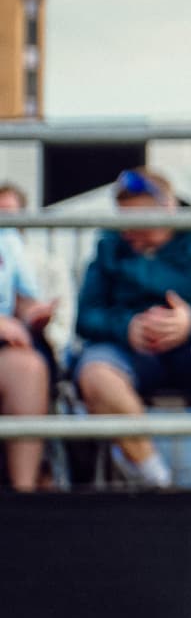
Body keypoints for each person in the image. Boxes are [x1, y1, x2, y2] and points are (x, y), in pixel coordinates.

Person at [71, 169, 191, 488]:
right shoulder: (110, 246)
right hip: (130, 353)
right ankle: (156, 478)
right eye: (125, 220)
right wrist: (127, 326)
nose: (130, 231)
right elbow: (86, 316)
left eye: (141, 219)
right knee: (96, 374)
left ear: (169, 207)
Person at [0, 182, 55, 491]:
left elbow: (22, 298)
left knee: (29, 368)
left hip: (6, 345)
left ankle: (24, 495)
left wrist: (33, 314)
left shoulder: (7, 238)